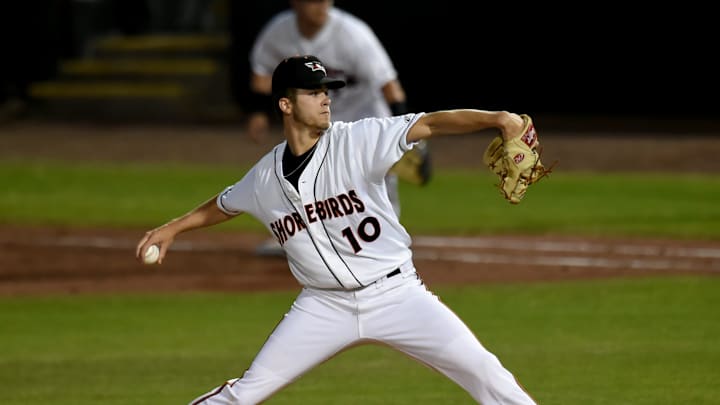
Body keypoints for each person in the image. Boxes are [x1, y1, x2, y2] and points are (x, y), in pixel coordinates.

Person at [136, 55, 537, 405]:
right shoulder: (263, 178)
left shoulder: (358, 140)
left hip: (397, 295)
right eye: (313, 92)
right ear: (285, 104)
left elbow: (429, 124)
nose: (325, 97)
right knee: (245, 393)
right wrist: (172, 229)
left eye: (326, 89)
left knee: (486, 374)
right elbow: (223, 205)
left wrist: (497, 119)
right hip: (322, 308)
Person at [243, 0, 431, 255]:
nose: (323, 6)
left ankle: (384, 240)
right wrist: (258, 113)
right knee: (306, 171)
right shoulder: (279, 32)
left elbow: (390, 85)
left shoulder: (353, 34)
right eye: (315, 1)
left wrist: (408, 135)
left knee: (378, 176)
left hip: (366, 114)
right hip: (322, 114)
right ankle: (301, 238)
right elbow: (262, 74)